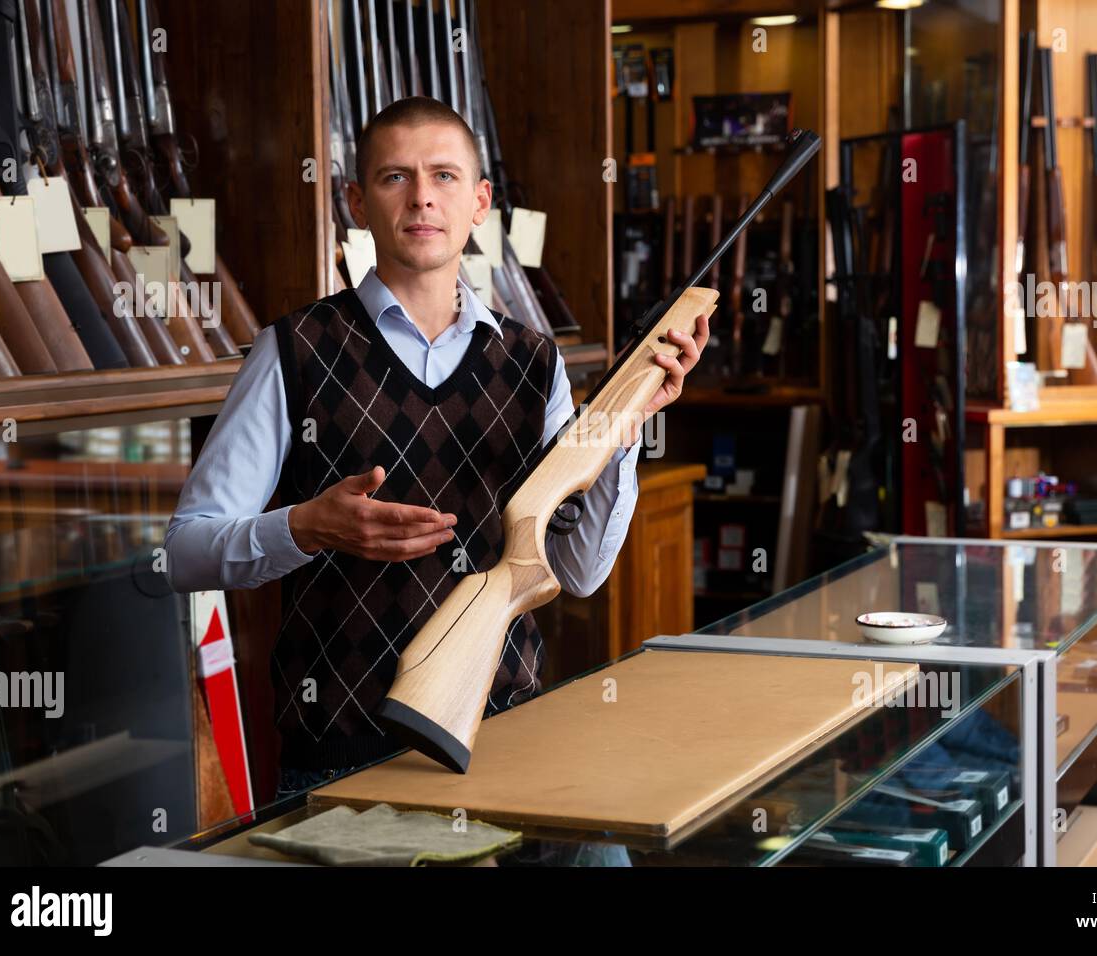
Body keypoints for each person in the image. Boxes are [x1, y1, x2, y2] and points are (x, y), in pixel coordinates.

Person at [164, 97, 709, 798]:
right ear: (356, 200)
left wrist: (624, 427)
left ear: (481, 201)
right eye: (395, 177)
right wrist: (307, 526)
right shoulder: (291, 351)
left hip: (504, 741)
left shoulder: (535, 364)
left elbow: (574, 570)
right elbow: (184, 550)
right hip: (337, 758)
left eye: (445, 176)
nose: (423, 196)